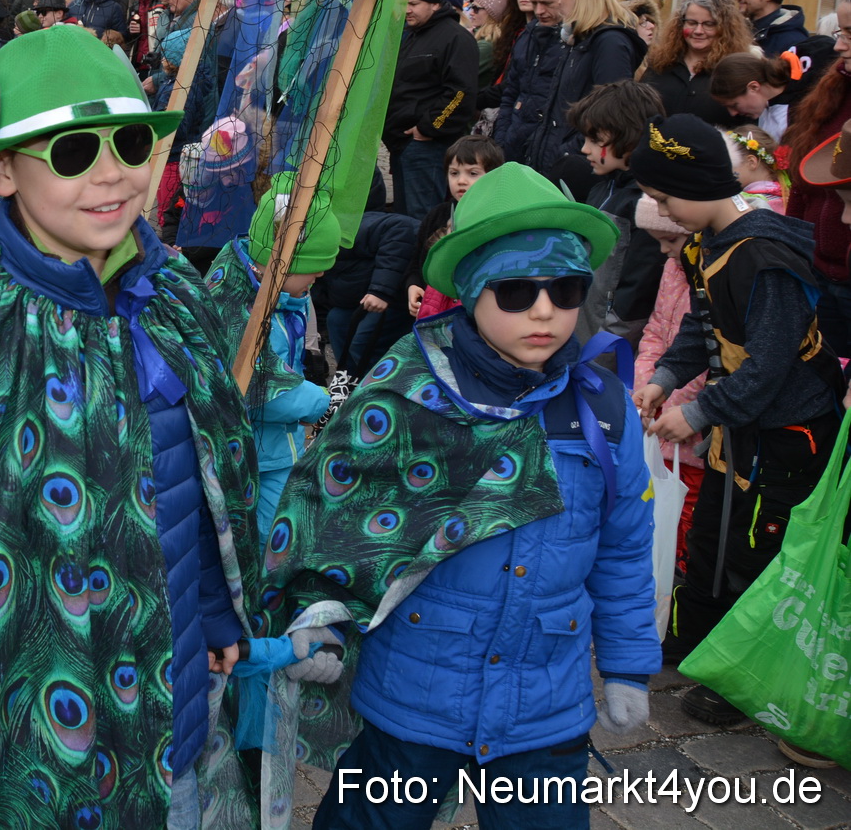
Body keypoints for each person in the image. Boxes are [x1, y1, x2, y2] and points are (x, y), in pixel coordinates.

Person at [0, 26, 263, 827]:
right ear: (1, 170)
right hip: (22, 735)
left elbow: (202, 482)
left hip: (167, 694)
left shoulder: (172, 298)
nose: (110, 174)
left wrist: (215, 607)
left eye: (130, 143)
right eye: (69, 153)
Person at [275, 161, 657, 830]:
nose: (544, 310)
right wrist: (320, 613)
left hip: (545, 700)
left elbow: (624, 545)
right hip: (414, 692)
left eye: (565, 289)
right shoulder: (406, 389)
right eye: (515, 289)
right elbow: (335, 511)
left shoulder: (603, 410)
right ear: (474, 290)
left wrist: (628, 663)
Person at [631, 114, 842, 729]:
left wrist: (695, 412)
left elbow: (771, 365)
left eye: (665, 199)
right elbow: (702, 327)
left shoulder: (763, 257)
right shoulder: (707, 243)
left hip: (787, 435)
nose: (663, 212)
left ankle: (741, 680)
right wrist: (665, 380)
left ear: (698, 187)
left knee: (756, 549)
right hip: (739, 429)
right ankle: (694, 642)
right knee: (711, 538)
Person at [203, 175, 338, 537]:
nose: (322, 272)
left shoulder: (280, 292)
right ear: (281, 259)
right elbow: (257, 384)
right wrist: (324, 403)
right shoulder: (234, 305)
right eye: (314, 264)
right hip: (253, 453)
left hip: (279, 445)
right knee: (269, 536)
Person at [632, 195, 707, 577]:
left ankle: (677, 583)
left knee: (687, 508)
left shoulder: (712, 273)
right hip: (661, 411)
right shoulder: (672, 268)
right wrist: (649, 383)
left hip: (692, 426)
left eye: (671, 241)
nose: (664, 250)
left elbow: (710, 351)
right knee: (656, 505)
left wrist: (679, 406)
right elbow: (656, 330)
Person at [566, 80, 667, 343]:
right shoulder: (602, 188)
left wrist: (606, 346)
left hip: (608, 341)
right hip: (582, 326)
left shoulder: (647, 203)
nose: (584, 149)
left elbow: (636, 294)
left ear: (629, 137)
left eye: (595, 139)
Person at [526, 0, 646, 179]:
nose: (560, 0)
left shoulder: (609, 43)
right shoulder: (581, 39)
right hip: (563, 158)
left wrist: (565, 153)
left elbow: (608, 114)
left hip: (579, 164)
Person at [779, 0, 851, 354]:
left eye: (850, 34)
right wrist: (794, 248)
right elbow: (804, 184)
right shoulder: (833, 92)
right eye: (840, 32)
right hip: (820, 271)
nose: (839, 45)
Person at [385, 0, 479, 218]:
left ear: (435, 4)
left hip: (428, 147)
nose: (407, 10)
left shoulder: (455, 39)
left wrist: (428, 128)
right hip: (403, 145)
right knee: (404, 218)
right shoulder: (412, 36)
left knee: (422, 218)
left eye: (414, 3)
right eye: (403, 3)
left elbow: (461, 93)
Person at [315, 174, 418, 378]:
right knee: (336, 320)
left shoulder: (345, 231)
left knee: (363, 342)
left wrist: (380, 291)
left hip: (399, 295)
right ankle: (351, 381)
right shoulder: (313, 260)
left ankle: (385, 390)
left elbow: (401, 230)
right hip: (361, 299)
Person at [405, 136, 504, 320]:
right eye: (454, 173)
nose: (461, 181)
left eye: (473, 173)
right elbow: (417, 262)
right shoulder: (438, 215)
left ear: (493, 176)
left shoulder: (499, 219)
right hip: (435, 312)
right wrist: (413, 285)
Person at [639, 0, 755, 126]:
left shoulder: (737, 73)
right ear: (680, 24)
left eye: (709, 24)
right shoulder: (660, 64)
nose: (698, 31)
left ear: (725, 28)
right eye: (692, 23)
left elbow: (747, 131)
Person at [492, 0, 566, 164]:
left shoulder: (577, 42)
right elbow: (511, 92)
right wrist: (502, 139)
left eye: (547, 3)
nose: (539, 10)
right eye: (535, 3)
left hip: (552, 153)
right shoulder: (527, 35)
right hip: (515, 147)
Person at [709, 50, 794, 138]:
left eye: (734, 105)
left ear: (753, 87)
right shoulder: (766, 108)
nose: (733, 113)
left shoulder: (793, 112)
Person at [725, 125, 783, 208]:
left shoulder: (748, 203)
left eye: (730, 164)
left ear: (751, 162)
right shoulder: (786, 194)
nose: (724, 171)